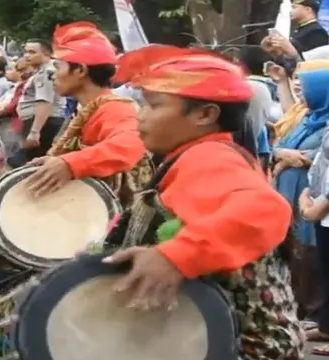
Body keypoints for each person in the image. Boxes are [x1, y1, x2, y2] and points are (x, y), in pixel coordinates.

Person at [103, 44, 303, 359]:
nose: (140, 116)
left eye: (153, 105)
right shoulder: (190, 157)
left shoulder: (209, 157)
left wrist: (177, 256)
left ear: (205, 114)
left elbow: (266, 208)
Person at [23, 22, 146, 204]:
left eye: (58, 67)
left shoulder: (116, 108)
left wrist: (71, 164)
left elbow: (130, 144)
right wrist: (56, 161)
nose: (52, 75)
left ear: (80, 70)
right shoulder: (89, 107)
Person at [274, 62, 329, 323]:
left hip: (313, 197)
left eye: (305, 86)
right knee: (295, 251)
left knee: (312, 253)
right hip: (292, 192)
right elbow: (281, 146)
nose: (300, 92)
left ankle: (316, 312)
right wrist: (283, 156)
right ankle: (303, 309)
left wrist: (285, 158)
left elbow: (313, 156)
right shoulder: (306, 118)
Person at [9, 39, 67, 167]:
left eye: (32, 52)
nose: (26, 55)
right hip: (41, 121)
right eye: (26, 52)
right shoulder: (42, 70)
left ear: (46, 54)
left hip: (43, 122)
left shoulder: (46, 72)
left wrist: (35, 132)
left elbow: (45, 102)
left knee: (26, 164)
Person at [300, 131, 329, 355]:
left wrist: (315, 208)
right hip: (323, 210)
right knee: (326, 273)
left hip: (323, 206)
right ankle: (327, 327)